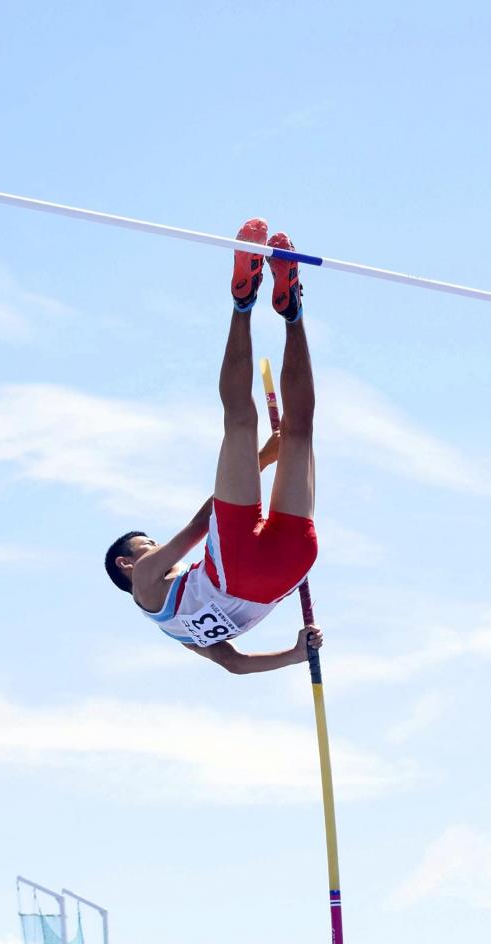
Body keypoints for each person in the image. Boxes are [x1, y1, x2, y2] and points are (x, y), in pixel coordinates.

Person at [105, 219, 322, 674]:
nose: (157, 546)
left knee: (301, 430)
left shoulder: (176, 632)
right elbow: (202, 522)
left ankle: (291, 310)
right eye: (147, 543)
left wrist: (297, 653)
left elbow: (234, 665)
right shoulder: (144, 580)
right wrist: (262, 457)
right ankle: (244, 304)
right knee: (240, 423)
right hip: (237, 563)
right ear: (127, 563)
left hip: (286, 568)